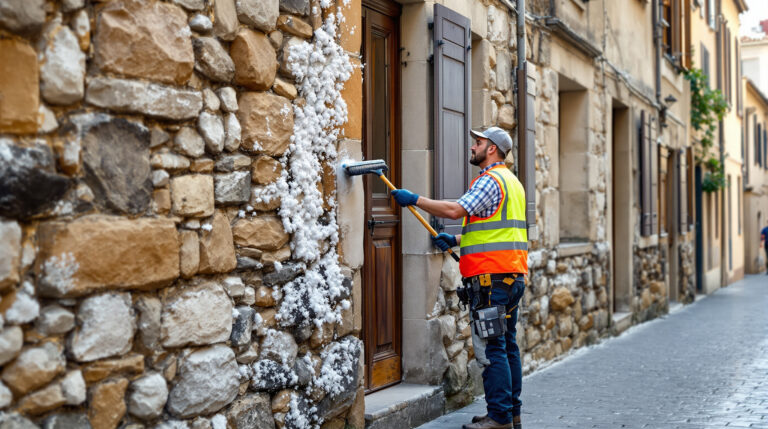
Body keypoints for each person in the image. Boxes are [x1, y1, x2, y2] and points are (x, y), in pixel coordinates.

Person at [391, 127, 528, 429]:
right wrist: (455, 243)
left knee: (493, 348)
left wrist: (415, 199)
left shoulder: (490, 180)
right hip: (510, 276)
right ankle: (510, 412)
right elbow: (497, 231)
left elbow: (455, 210)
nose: (472, 148)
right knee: (507, 345)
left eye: (478, 143)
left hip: (491, 280)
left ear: (491, 149)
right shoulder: (512, 182)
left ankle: (500, 418)